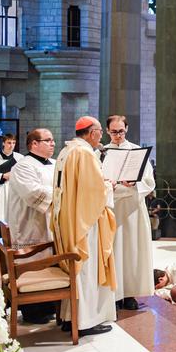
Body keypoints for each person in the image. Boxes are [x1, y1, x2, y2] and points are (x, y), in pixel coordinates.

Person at [51, 116, 117, 336]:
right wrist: (110, 185)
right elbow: (93, 191)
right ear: (91, 132)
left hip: (70, 218)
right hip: (85, 222)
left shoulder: (67, 150)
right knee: (86, 268)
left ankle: (71, 318)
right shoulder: (85, 153)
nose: (101, 135)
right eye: (100, 131)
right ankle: (85, 321)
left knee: (78, 269)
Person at [6, 128, 58, 324]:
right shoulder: (23, 166)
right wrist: (62, 194)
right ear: (34, 144)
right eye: (48, 140)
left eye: (53, 140)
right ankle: (32, 310)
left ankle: (50, 305)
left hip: (51, 222)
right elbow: (33, 193)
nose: (53, 143)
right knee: (33, 264)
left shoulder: (55, 164)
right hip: (30, 224)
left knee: (50, 262)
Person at [104, 115, 155, 310]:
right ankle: (114, 294)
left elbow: (149, 181)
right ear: (107, 131)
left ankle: (130, 293)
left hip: (133, 207)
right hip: (111, 207)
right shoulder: (101, 153)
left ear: (126, 129)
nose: (118, 135)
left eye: (121, 131)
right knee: (114, 251)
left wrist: (135, 183)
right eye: (114, 132)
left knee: (132, 251)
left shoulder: (136, 151)